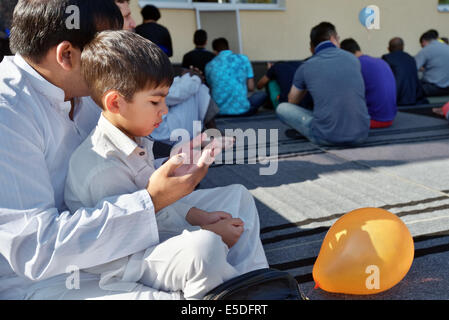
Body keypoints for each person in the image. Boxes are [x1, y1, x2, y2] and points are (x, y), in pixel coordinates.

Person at [0, 0, 265, 300]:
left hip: (115, 220)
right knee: (195, 265)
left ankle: (261, 291)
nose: (121, 56)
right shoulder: (7, 111)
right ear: (66, 55)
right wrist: (152, 201)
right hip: (53, 276)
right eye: (111, 45)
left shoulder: (82, 89)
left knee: (236, 201)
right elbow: (36, 250)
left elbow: (127, 162)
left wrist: (174, 160)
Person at [64, 30, 268, 299]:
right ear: (115, 102)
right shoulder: (103, 167)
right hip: (127, 261)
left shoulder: (134, 138)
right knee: (204, 249)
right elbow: (133, 232)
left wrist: (198, 214)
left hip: (147, 230)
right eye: (155, 101)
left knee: (238, 196)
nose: (164, 110)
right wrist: (205, 230)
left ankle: (256, 281)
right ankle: (231, 293)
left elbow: (154, 205)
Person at [276, 22, 370, 146]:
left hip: (326, 137)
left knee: (282, 108)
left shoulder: (306, 66)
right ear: (333, 39)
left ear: (312, 47)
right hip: (361, 135)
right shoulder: (353, 59)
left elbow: (292, 102)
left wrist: (306, 84)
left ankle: (309, 131)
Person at [340, 38, 397, 129]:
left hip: (372, 120)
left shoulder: (355, 65)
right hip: (390, 119)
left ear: (346, 54)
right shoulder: (381, 62)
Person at [205, 37, 267, 116]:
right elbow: (251, 87)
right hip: (242, 110)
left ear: (215, 52)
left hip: (219, 112)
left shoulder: (209, 65)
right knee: (262, 95)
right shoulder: (244, 59)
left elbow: (211, 89)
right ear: (228, 48)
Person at [381, 37, 428, 106]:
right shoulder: (410, 58)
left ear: (389, 48)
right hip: (415, 98)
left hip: (397, 99)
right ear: (403, 47)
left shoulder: (386, 58)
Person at [415, 29, 449, 97]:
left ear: (423, 41)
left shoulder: (426, 50)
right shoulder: (447, 47)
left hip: (432, 88)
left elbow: (413, 68)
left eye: (421, 45)